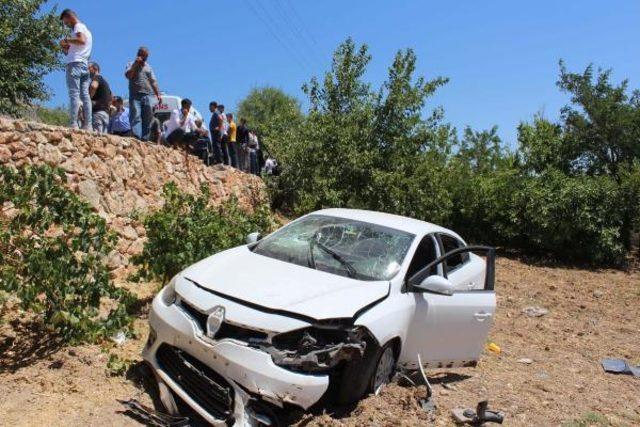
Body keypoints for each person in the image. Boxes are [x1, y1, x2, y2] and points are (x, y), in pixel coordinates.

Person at [59, 9, 93, 130]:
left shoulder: (78, 26)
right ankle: (88, 125)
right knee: (85, 95)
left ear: (69, 17)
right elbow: (76, 47)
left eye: (66, 22)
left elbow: (81, 40)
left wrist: (66, 40)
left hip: (74, 64)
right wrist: (65, 47)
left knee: (74, 93)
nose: (66, 25)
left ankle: (74, 123)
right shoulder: (87, 30)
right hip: (84, 64)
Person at [125, 47, 162, 141]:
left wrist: (158, 94)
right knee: (136, 115)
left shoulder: (148, 67)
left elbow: (153, 81)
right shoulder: (130, 64)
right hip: (135, 94)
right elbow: (128, 75)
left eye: (146, 56)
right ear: (138, 54)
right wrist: (135, 64)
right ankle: (136, 136)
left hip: (148, 95)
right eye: (142, 55)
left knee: (148, 117)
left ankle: (145, 138)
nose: (144, 58)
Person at [88, 62, 112, 134]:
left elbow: (93, 86)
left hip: (97, 113)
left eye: (88, 68)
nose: (87, 71)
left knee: (97, 139)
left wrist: (88, 99)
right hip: (105, 114)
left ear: (95, 69)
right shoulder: (105, 82)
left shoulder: (97, 77)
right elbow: (111, 97)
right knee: (104, 139)